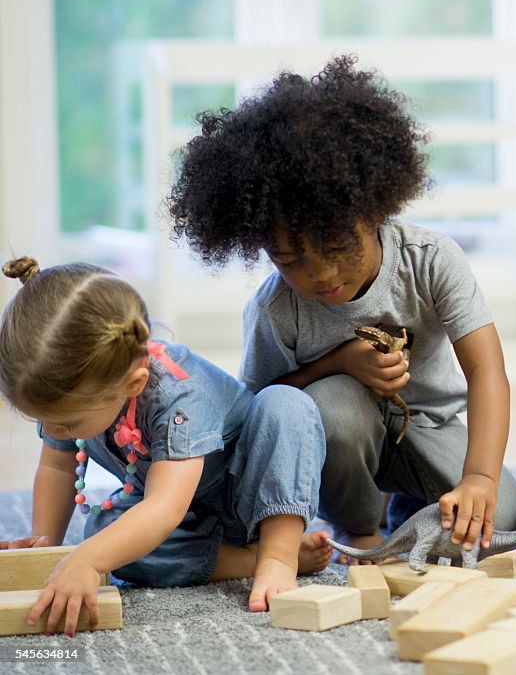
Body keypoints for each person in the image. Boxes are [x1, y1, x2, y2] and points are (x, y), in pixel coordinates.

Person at [166, 55, 516, 562]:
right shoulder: (276, 307)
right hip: (342, 440)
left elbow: (488, 370)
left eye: (336, 248)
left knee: (504, 521)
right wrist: (337, 362)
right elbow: (262, 410)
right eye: (291, 260)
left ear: (375, 207)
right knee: (333, 405)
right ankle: (359, 524)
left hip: (430, 425)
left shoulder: (430, 260)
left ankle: (409, 507)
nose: (322, 275)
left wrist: (481, 478)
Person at [0, 258, 329, 635]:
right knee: (105, 533)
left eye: (68, 424)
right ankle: (245, 561)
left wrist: (88, 561)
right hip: (183, 517)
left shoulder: (176, 398)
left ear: (134, 383)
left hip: (250, 493)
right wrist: (48, 551)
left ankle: (277, 554)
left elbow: (164, 508)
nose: (55, 430)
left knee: (286, 404)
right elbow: (58, 468)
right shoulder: (77, 392)